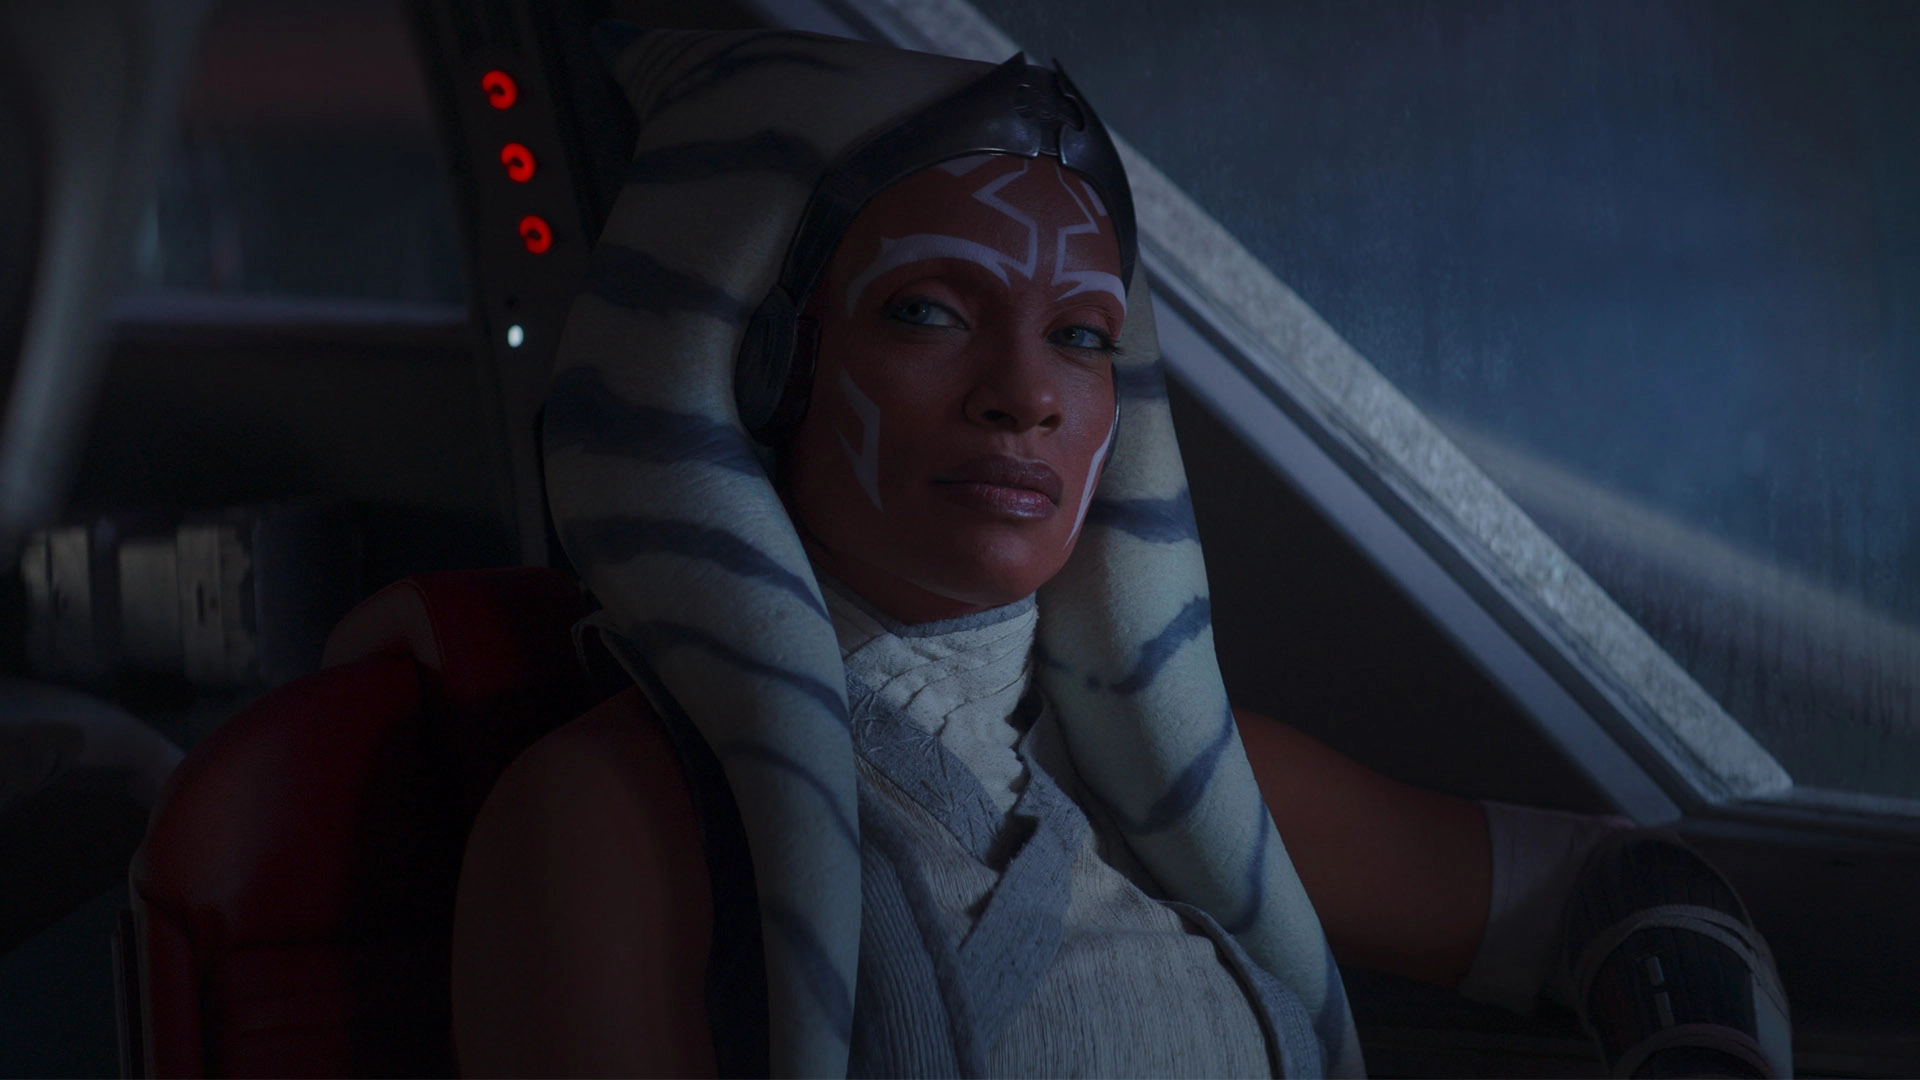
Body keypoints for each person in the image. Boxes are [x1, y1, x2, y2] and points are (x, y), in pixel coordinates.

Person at [453, 27, 1789, 1079]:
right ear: (764, 362)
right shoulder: (615, 819)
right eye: (929, 311)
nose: (1024, 394)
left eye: (1082, 336)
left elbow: (1633, 889)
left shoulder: (1185, 781)